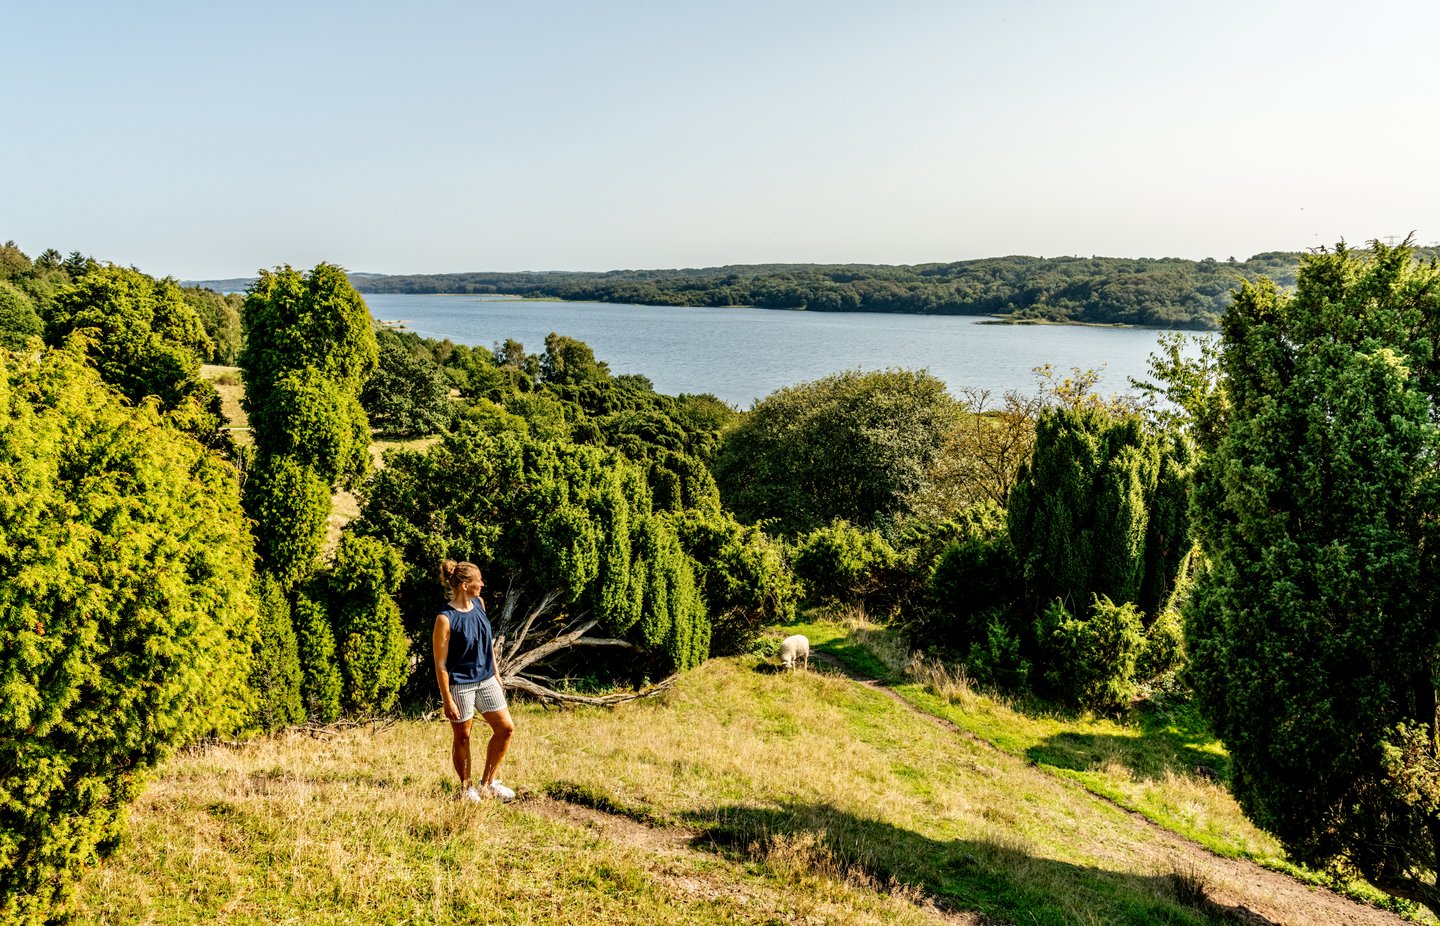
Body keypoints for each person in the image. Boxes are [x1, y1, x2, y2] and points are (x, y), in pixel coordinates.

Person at [433, 559, 515, 802]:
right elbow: (440, 663)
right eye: (478, 580)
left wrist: (497, 674)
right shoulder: (445, 618)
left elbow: (485, 643)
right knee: (463, 736)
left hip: (487, 679)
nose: (482, 583)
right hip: (461, 684)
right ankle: (466, 787)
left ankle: (488, 782)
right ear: (466, 585)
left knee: (506, 729)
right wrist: (447, 699)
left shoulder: (479, 603)